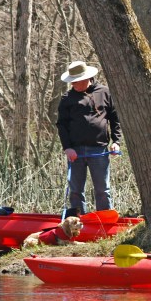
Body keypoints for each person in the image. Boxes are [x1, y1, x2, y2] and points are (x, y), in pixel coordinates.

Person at [56, 61, 122, 212]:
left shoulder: (105, 92)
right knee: (76, 192)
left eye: (76, 81)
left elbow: (115, 119)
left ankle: (104, 222)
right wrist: (67, 148)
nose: (73, 84)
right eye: (71, 81)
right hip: (75, 151)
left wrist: (116, 141)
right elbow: (62, 125)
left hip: (99, 150)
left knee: (103, 190)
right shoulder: (67, 98)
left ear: (87, 78)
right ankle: (77, 223)